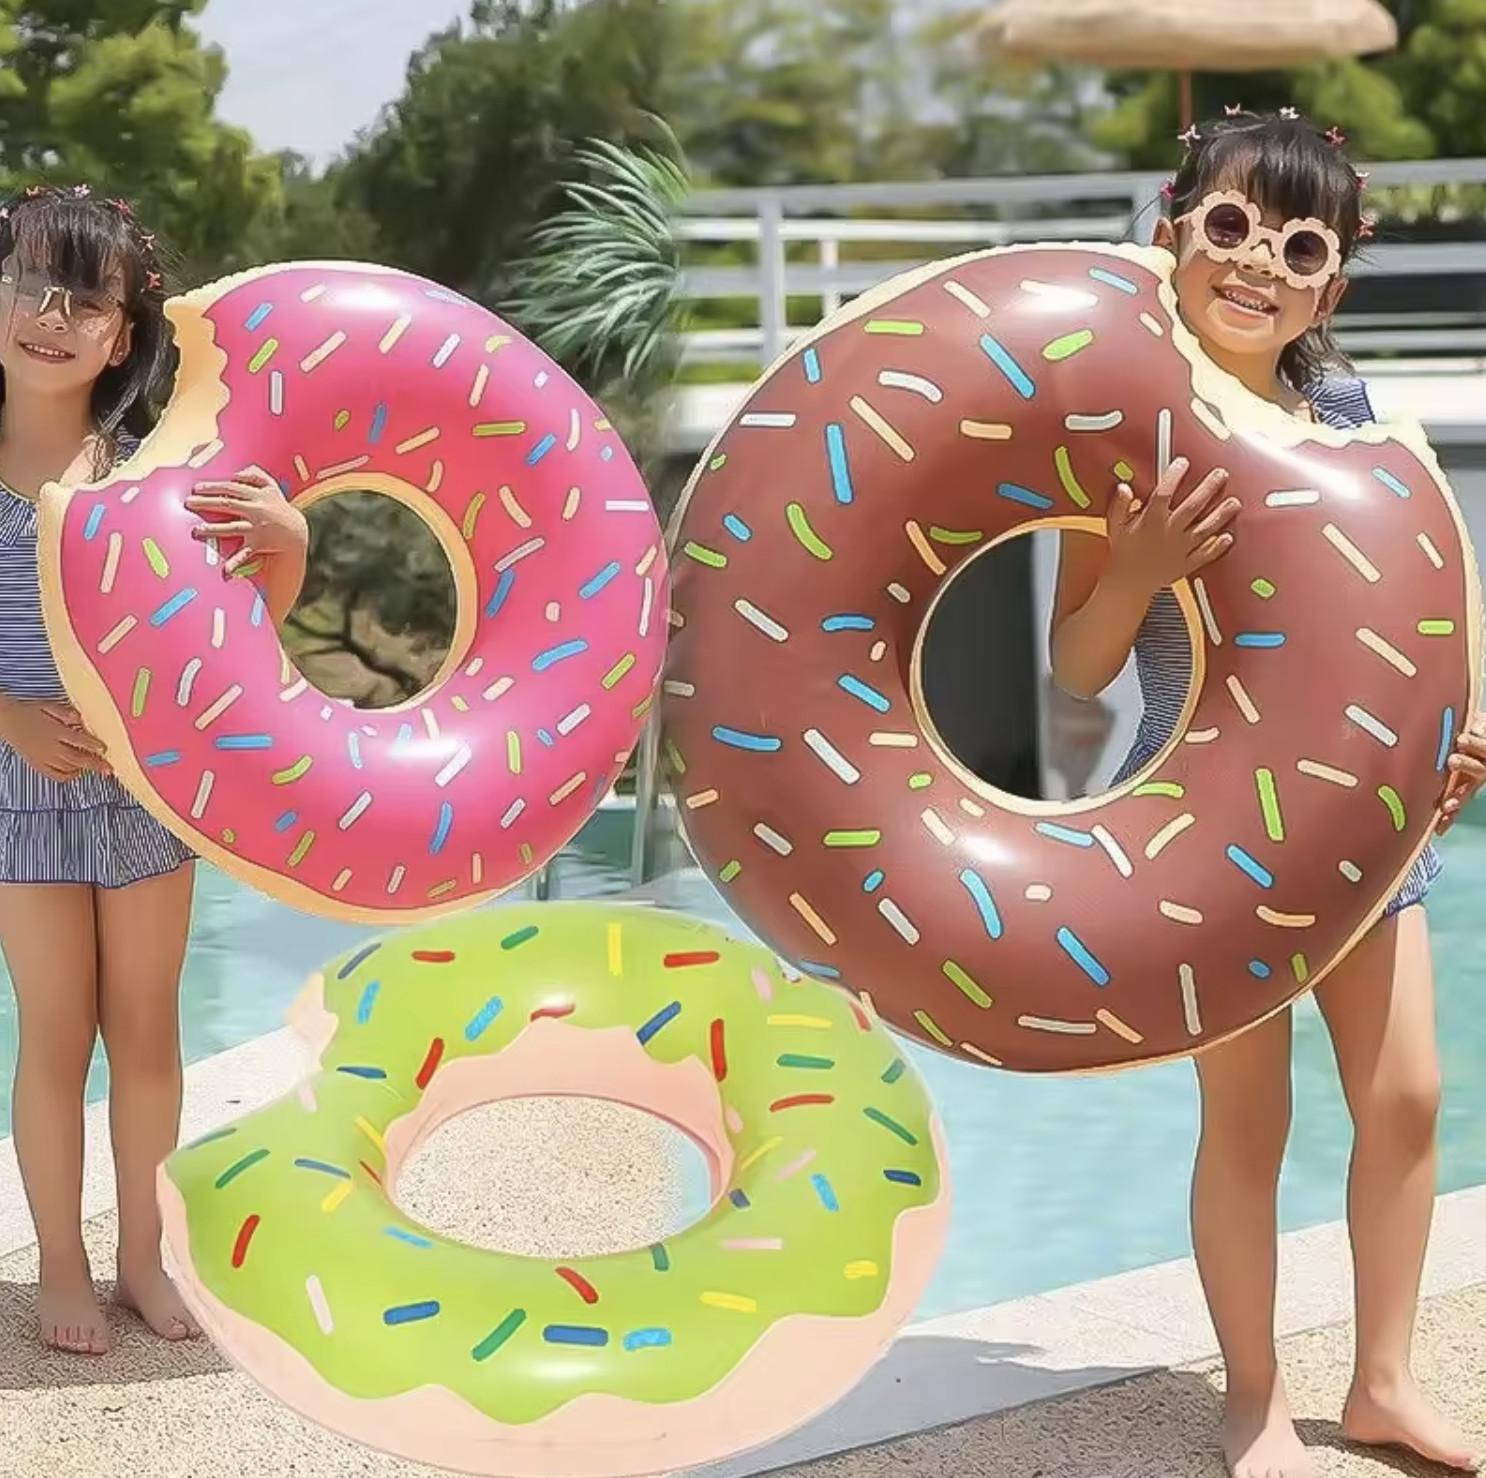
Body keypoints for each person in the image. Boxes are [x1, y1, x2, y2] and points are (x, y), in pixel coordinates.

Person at [1049, 111, 1486, 1478]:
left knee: (1405, 1093)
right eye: (1230, 225)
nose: (1257, 263)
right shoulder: (1126, 426)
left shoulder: (1348, 418)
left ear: (1331, 282)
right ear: (1172, 229)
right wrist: (1137, 565)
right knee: (1247, 1115)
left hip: (1362, 809)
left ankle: (1383, 1381)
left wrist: (1458, 731)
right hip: (1202, 816)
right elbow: (1077, 663)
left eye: (1298, 246)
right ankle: (1252, 1398)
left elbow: (1418, 604)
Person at [0, 184, 308, 1355]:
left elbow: (235, 644)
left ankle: (144, 1254)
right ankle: (60, 1263)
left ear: (123, 338)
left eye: (86, 300)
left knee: (145, 1029)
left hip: (145, 794)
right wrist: (8, 717)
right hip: (18, 794)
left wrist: (289, 549)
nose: (52, 314)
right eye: (29, 284)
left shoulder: (155, 480)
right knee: (53, 1032)